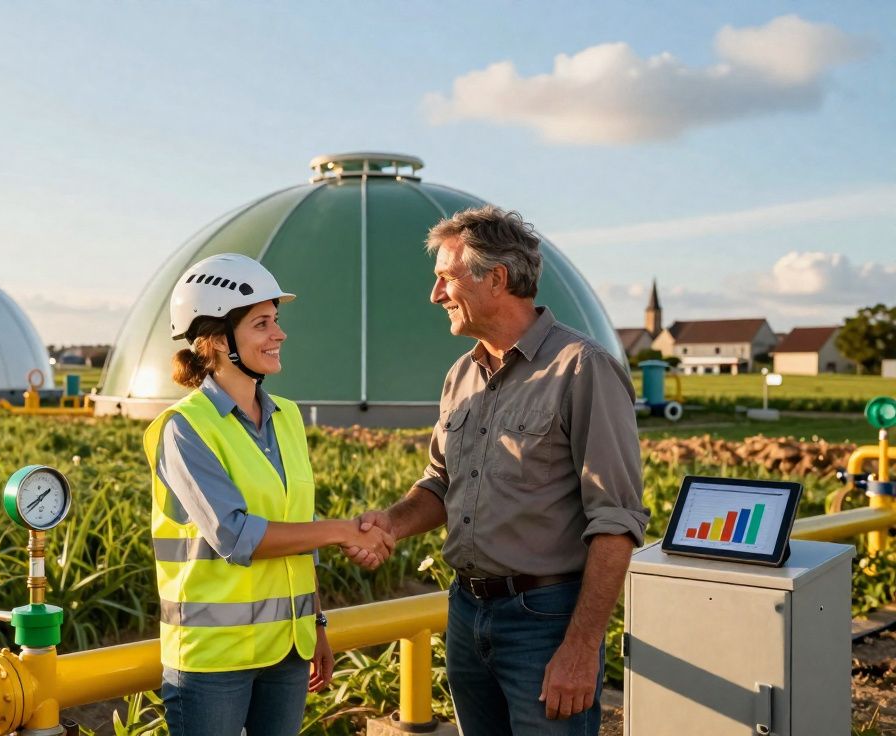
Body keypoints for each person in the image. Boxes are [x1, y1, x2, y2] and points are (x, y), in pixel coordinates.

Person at [348, 206, 649, 736]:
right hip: (467, 613)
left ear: (498, 278)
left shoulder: (582, 368)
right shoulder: (461, 375)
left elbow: (616, 520)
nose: (435, 295)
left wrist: (580, 649)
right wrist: (392, 523)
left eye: (446, 278)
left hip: (546, 620)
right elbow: (440, 483)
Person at [144, 253, 394, 736]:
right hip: (214, 660)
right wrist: (345, 531)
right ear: (216, 340)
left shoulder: (288, 418)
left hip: (288, 651)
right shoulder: (184, 429)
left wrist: (317, 625)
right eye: (262, 324)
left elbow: (298, 528)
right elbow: (236, 535)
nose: (279, 335)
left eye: (276, 321)